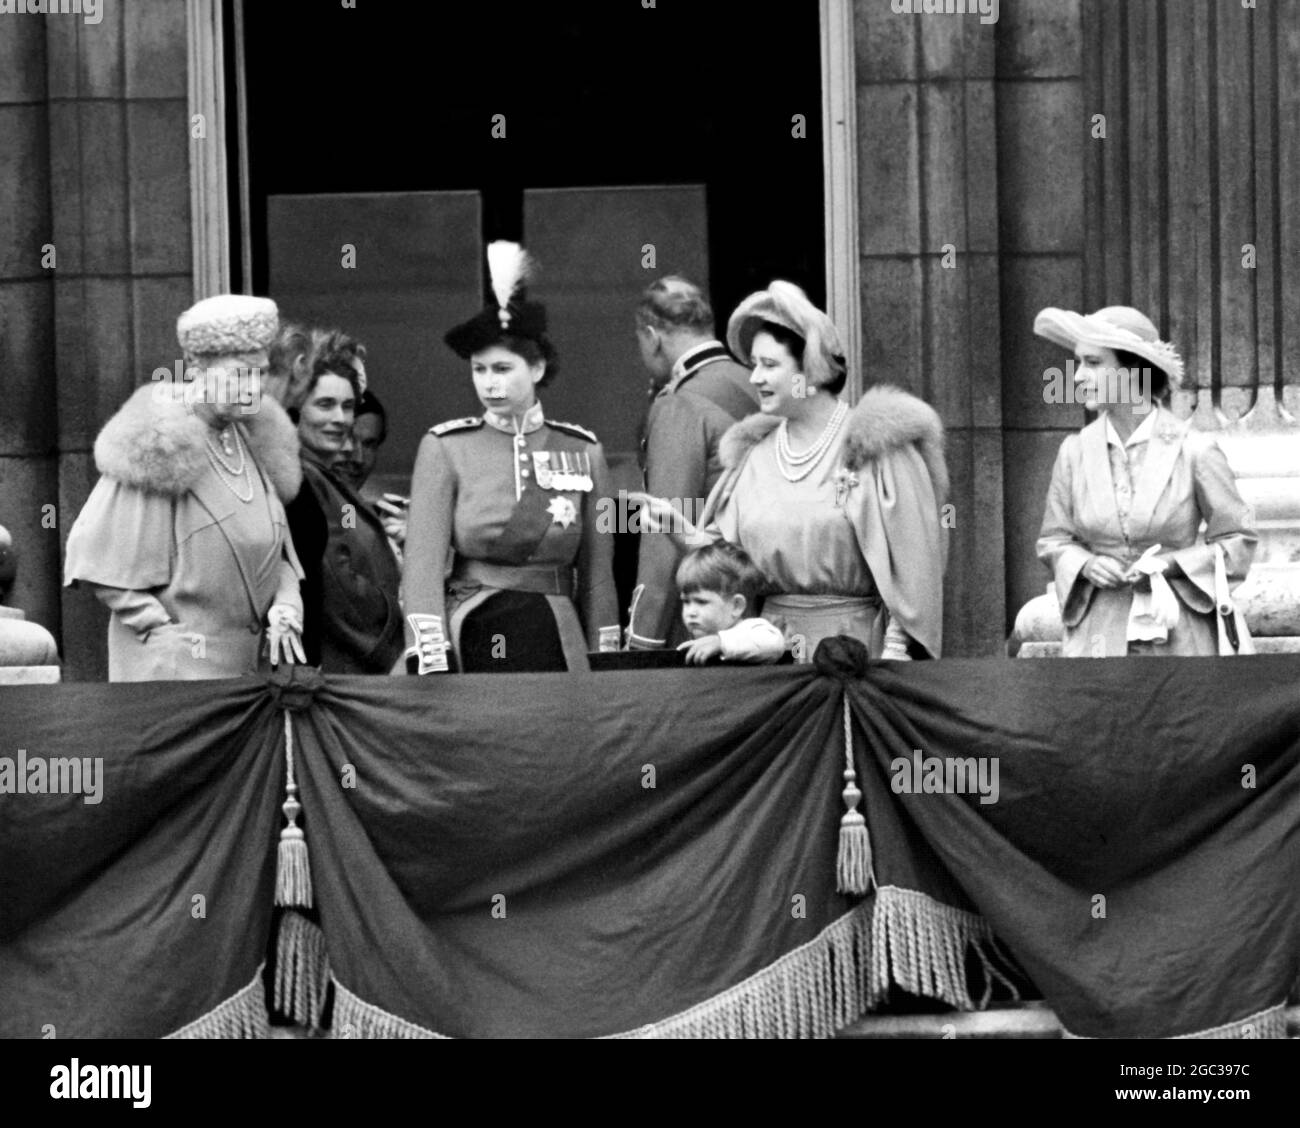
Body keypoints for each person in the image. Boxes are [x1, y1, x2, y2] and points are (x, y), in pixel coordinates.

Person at [633, 281, 948, 661]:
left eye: (769, 365)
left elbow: (915, 571)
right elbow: (735, 567)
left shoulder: (878, 447)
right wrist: (678, 529)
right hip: (770, 660)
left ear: (809, 372)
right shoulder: (754, 455)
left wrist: (894, 662)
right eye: (754, 365)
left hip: (854, 656)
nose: (755, 378)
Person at [401, 241, 619, 673]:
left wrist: (604, 658)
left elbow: (598, 575)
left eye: (502, 370)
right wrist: (431, 655)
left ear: (537, 369)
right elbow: (421, 568)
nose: (489, 384)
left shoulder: (583, 450)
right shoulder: (446, 447)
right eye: (479, 370)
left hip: (557, 636)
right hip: (472, 633)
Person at [63, 295, 306, 681]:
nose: (254, 388)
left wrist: (287, 604)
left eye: (260, 373)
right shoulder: (159, 443)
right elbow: (98, 562)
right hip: (175, 683)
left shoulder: (251, 440)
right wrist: (161, 633)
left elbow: (279, 554)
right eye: (241, 374)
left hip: (248, 681)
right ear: (196, 367)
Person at [1033, 305, 1257, 657]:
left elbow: (1237, 540)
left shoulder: (1195, 450)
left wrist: (1171, 565)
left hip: (1179, 641)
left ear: (1134, 371)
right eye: (1079, 363)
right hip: (1097, 644)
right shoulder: (1073, 453)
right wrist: (1087, 564)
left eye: (1093, 363)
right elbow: (1054, 541)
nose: (1076, 377)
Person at [627, 276, 760, 651]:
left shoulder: (677, 403)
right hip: (760, 609)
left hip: (700, 623)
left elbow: (665, 527)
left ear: (652, 336)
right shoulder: (759, 381)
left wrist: (643, 638)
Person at [284, 331, 404, 673]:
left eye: (347, 406)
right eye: (325, 404)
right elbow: (339, 586)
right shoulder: (301, 480)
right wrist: (398, 633)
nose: (339, 418)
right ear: (297, 409)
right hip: (344, 675)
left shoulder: (327, 480)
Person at [675, 542, 784, 665]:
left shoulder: (750, 630)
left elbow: (773, 644)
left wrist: (721, 643)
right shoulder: (695, 635)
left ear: (736, 606)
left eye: (701, 602)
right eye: (686, 602)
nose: (691, 612)